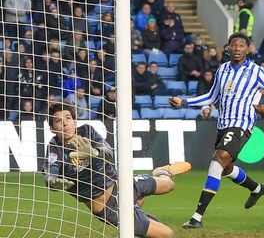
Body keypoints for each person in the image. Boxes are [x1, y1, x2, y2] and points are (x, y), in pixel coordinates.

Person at [168, 33, 264, 229]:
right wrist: (184, 102)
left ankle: (197, 216)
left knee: (217, 162)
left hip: (242, 124)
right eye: (234, 45)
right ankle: (257, 189)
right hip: (223, 124)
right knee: (226, 169)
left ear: (248, 49)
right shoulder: (222, 69)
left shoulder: (256, 71)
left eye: (241, 45)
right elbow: (212, 96)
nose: (237, 48)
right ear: (228, 48)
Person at [43, 102, 191, 238]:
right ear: (52, 128)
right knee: (168, 234)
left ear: (74, 121)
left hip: (123, 185)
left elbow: (109, 152)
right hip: (109, 207)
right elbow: (51, 169)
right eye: (58, 121)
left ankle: (161, 172)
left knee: (170, 185)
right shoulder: (54, 148)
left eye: (68, 118)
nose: (64, 123)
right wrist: (52, 181)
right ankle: (137, 209)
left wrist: (94, 152)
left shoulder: (87, 131)